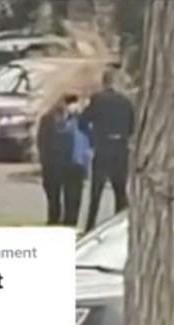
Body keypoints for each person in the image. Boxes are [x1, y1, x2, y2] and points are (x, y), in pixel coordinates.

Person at [80, 67, 135, 233]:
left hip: (102, 148)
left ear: (103, 83)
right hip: (120, 150)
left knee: (96, 193)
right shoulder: (126, 102)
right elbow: (132, 127)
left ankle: (90, 227)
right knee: (120, 193)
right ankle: (119, 230)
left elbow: (82, 122)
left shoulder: (98, 100)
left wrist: (93, 137)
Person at [38, 92, 90, 226]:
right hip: (54, 165)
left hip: (73, 166)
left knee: (72, 199)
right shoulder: (49, 119)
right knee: (54, 199)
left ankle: (70, 223)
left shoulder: (81, 120)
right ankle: (54, 221)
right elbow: (42, 143)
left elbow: (87, 142)